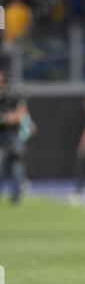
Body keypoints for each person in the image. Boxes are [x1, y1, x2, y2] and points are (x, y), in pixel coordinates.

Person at [0, 72, 35, 203]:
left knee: (16, 165)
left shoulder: (11, 94)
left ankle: (16, 196)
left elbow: (21, 110)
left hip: (13, 134)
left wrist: (10, 118)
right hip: (2, 134)